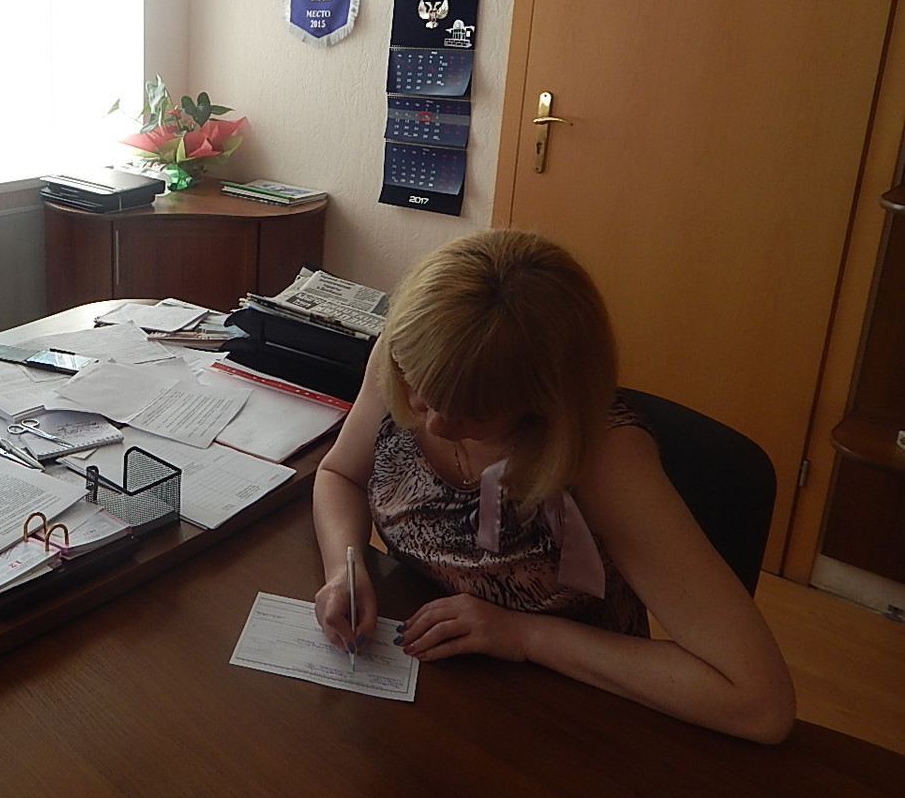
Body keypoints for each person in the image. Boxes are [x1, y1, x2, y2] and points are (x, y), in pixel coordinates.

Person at [312, 229, 794, 743]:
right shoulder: (409, 360)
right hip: (434, 686)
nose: (434, 425)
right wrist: (346, 567)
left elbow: (759, 703)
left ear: (545, 399)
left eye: (474, 414)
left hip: (566, 713)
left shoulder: (604, 456)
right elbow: (340, 474)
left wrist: (524, 636)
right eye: (422, 395)